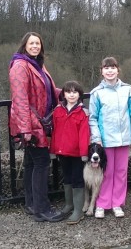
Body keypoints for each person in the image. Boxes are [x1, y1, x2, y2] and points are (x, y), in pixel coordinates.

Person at [8, 31, 63, 222]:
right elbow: (20, 99)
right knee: (42, 163)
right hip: (31, 124)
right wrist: (25, 130)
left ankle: (32, 204)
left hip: (36, 122)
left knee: (32, 163)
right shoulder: (20, 66)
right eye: (31, 43)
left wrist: (68, 92)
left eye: (37, 44)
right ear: (24, 45)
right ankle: (42, 209)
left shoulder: (37, 65)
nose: (35, 46)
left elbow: (46, 90)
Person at [89, 56, 131, 219]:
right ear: (101, 71)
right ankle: (102, 204)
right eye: (106, 68)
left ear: (118, 70)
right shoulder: (97, 93)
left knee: (121, 172)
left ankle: (117, 203)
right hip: (105, 140)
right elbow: (93, 117)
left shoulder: (128, 90)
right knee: (106, 172)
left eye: (113, 67)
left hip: (124, 139)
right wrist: (96, 137)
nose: (110, 70)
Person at [50, 80, 90, 224]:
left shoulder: (83, 112)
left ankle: (78, 211)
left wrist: (84, 153)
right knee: (66, 178)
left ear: (79, 94)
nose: (71, 95)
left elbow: (84, 135)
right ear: (63, 94)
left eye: (75, 92)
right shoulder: (57, 111)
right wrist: (53, 150)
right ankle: (69, 205)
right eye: (68, 92)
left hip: (77, 154)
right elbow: (55, 133)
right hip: (62, 151)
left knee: (77, 179)